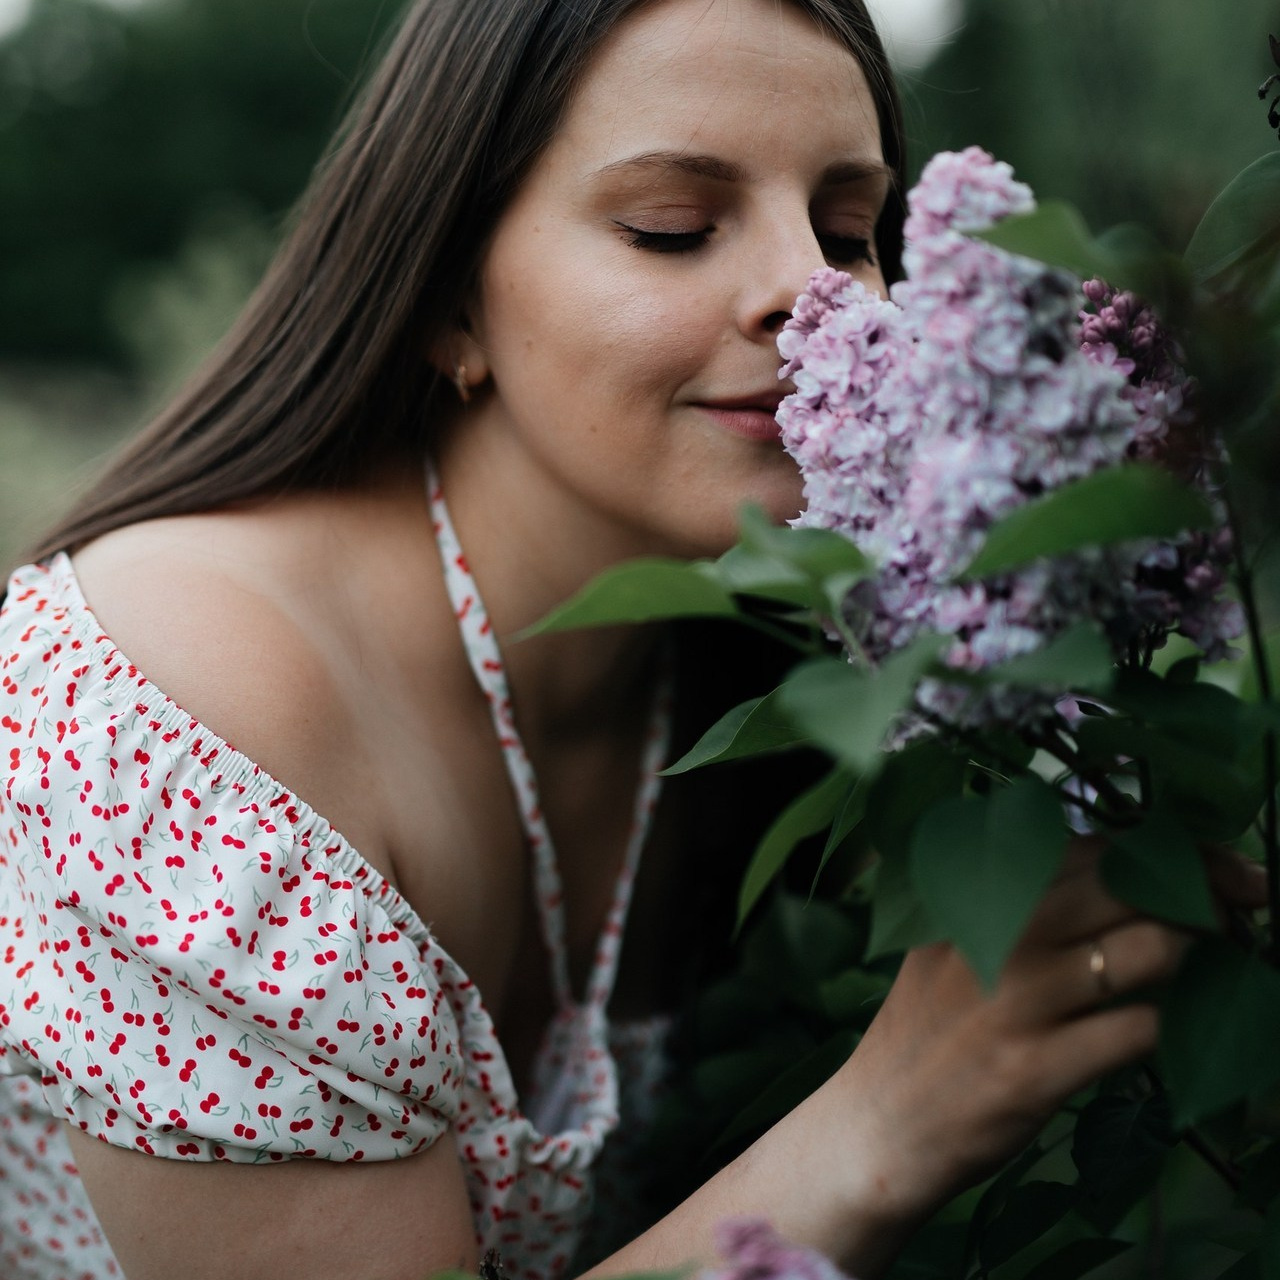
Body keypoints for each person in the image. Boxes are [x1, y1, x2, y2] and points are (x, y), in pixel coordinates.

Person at [0, 0, 1264, 1277]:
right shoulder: (188, 715)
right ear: (447, 299)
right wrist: (897, 1111)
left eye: (849, 229)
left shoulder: (824, 661)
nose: (814, 292)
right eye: (673, 225)